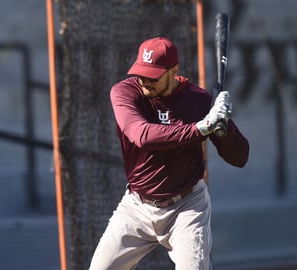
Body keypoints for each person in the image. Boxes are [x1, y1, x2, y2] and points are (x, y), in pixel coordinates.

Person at [89, 37, 249, 270]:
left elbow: (240, 157)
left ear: (174, 71)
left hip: (186, 207)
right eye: (141, 72)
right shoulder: (125, 92)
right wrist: (201, 127)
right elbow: (142, 135)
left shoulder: (198, 100)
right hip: (136, 207)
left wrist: (222, 123)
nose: (145, 81)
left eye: (153, 76)